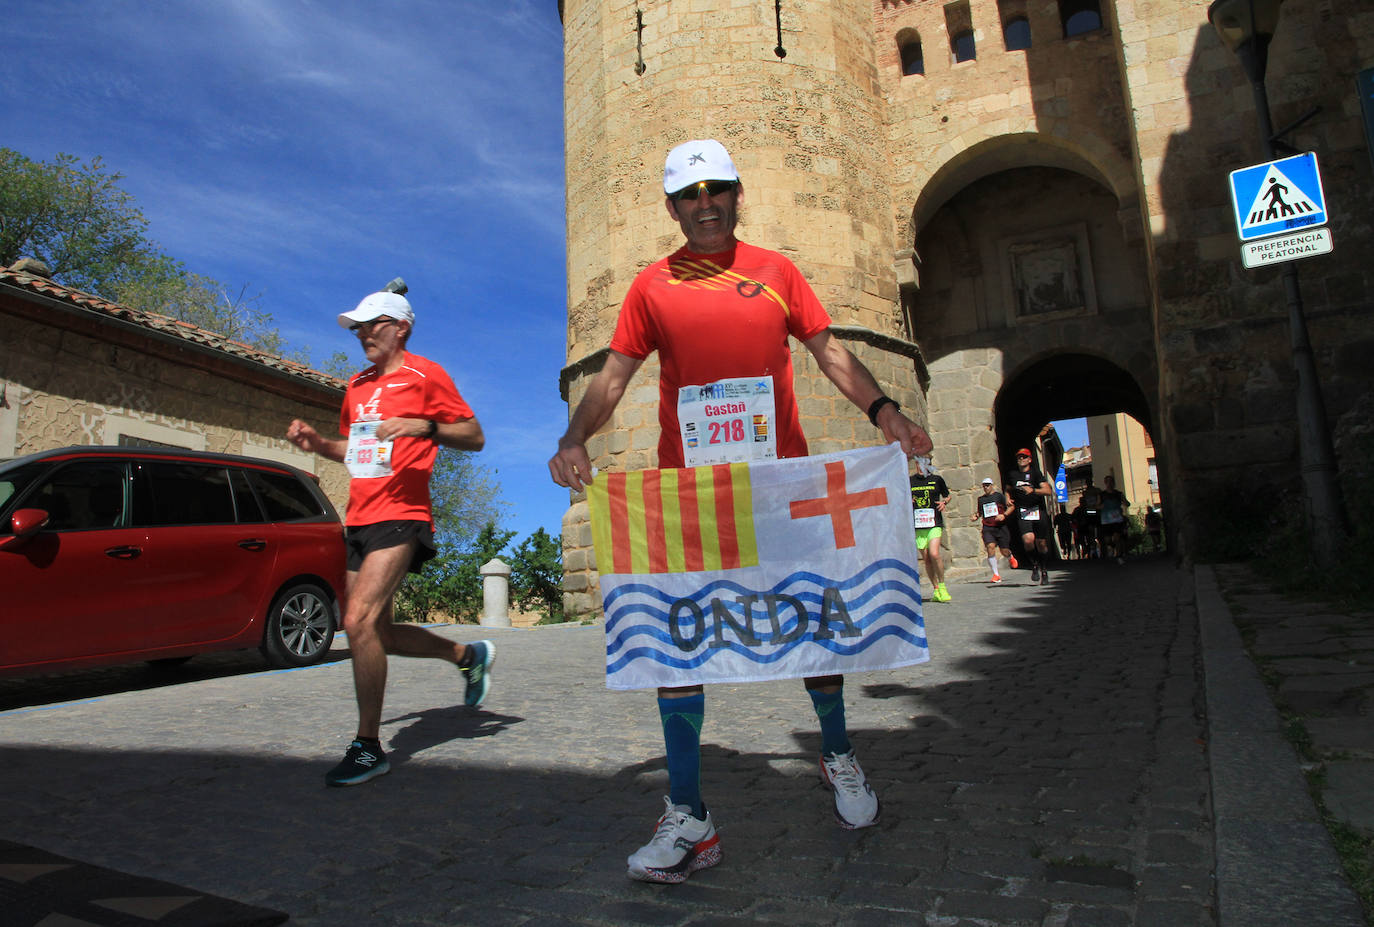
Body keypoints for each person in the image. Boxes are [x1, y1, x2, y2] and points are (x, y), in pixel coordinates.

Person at [547, 139, 933, 883]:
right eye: (689, 195)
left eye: (716, 189)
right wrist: (573, 434)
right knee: (672, 642)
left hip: (781, 486)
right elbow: (615, 378)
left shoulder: (778, 272)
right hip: (692, 497)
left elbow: (830, 355)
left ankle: (837, 750)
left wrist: (885, 410)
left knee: (817, 619)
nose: (704, 204)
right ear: (670, 206)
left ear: (737, 193)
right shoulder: (649, 287)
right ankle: (690, 815)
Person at [286, 288, 495, 787]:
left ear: (400, 326)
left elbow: (474, 435)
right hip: (359, 515)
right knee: (373, 632)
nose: (361, 334)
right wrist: (319, 444)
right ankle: (467, 656)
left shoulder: (427, 375)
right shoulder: (356, 384)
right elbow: (356, 451)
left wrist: (422, 425)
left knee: (356, 620)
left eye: (369, 325)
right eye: (356, 327)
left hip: (403, 512)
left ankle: (367, 747)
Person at [1006, 447, 1053, 585]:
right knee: (1028, 540)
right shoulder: (1013, 474)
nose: (1021, 459)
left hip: (1038, 510)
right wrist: (1007, 497)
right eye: (1019, 457)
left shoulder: (1036, 473)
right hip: (1023, 510)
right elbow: (1008, 489)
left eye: (1024, 457)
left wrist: (1032, 491)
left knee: (1041, 543)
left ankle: (1044, 569)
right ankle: (1034, 564)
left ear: (1030, 459)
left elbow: (1048, 491)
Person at [910, 462, 952, 602]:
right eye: (919, 464)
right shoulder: (910, 481)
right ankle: (935, 589)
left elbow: (947, 495)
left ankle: (942, 586)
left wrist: (944, 502)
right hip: (918, 525)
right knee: (927, 558)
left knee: (934, 554)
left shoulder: (937, 479)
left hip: (934, 523)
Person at [969, 476, 1016, 582]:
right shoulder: (981, 499)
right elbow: (980, 512)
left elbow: (1012, 507)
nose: (986, 487)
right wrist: (975, 517)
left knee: (1004, 551)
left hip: (1000, 527)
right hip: (988, 527)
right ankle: (996, 574)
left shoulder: (999, 497)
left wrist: (1004, 515)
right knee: (990, 547)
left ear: (992, 486)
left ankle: (1010, 557)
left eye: (987, 485)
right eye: (984, 486)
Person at [1098, 474, 1131, 564]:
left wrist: (1126, 503)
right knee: (1108, 540)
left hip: (1117, 519)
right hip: (1106, 520)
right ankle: (1112, 547)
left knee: (1117, 538)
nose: (1110, 484)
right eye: (1108, 482)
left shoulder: (1119, 494)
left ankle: (1119, 556)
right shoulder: (1102, 495)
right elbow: (1097, 506)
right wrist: (1100, 506)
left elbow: (1127, 503)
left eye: (1112, 482)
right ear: (1105, 483)